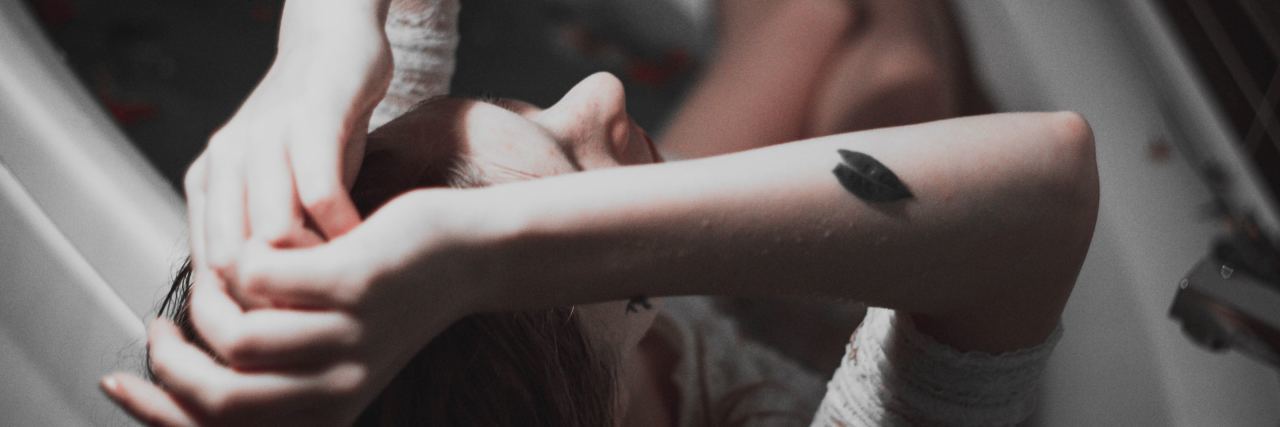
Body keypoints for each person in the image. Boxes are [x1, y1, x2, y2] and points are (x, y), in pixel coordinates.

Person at [101, 0, 1099, 425]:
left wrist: (320, 44)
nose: (599, 94)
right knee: (898, 74)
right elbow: (1044, 181)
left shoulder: (451, 275)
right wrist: (476, 254)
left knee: (807, 18)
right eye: (570, 218)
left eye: (507, 105)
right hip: (812, 336)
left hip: (683, 297)